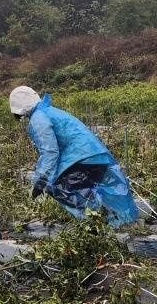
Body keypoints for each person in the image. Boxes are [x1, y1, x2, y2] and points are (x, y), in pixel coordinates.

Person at [9, 87, 140, 226]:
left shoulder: (38, 118)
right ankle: (105, 222)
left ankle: (97, 224)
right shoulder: (50, 111)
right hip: (94, 156)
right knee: (86, 193)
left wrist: (41, 181)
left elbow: (50, 152)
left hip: (82, 158)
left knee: (60, 189)